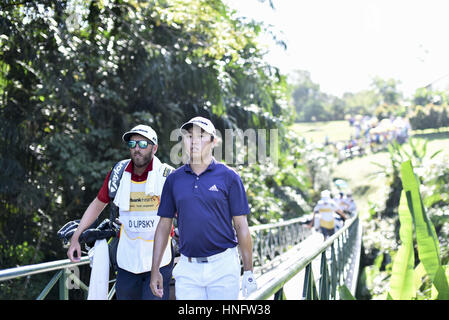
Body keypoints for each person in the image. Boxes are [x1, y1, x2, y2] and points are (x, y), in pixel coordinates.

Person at [150, 116, 257, 300]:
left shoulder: (229, 177)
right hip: (188, 268)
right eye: (189, 136)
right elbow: (163, 226)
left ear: (214, 141)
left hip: (223, 266)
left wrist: (248, 271)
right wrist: (155, 270)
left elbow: (241, 226)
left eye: (201, 136)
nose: (194, 142)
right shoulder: (174, 179)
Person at [67, 124, 175, 300]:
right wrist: (76, 237)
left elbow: (184, 212)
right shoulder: (118, 173)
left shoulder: (168, 175)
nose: (136, 149)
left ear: (154, 148)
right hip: (127, 260)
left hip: (159, 260)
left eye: (142, 144)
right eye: (132, 145)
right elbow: (98, 204)